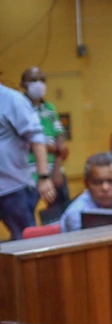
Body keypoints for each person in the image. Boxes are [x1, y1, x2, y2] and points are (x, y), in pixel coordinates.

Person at [0, 82, 55, 240]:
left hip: (13, 189)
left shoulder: (12, 100)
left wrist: (43, 177)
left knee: (26, 242)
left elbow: (37, 139)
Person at [21, 66, 70, 222]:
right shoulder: (19, 107)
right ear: (23, 84)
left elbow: (60, 138)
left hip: (53, 169)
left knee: (61, 212)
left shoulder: (49, 108)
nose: (39, 84)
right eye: (34, 80)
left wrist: (56, 169)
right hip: (27, 174)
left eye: (42, 80)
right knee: (26, 216)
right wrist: (45, 147)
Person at [59, 153, 112, 232]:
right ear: (86, 184)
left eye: (111, 181)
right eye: (98, 182)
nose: (105, 188)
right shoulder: (76, 215)